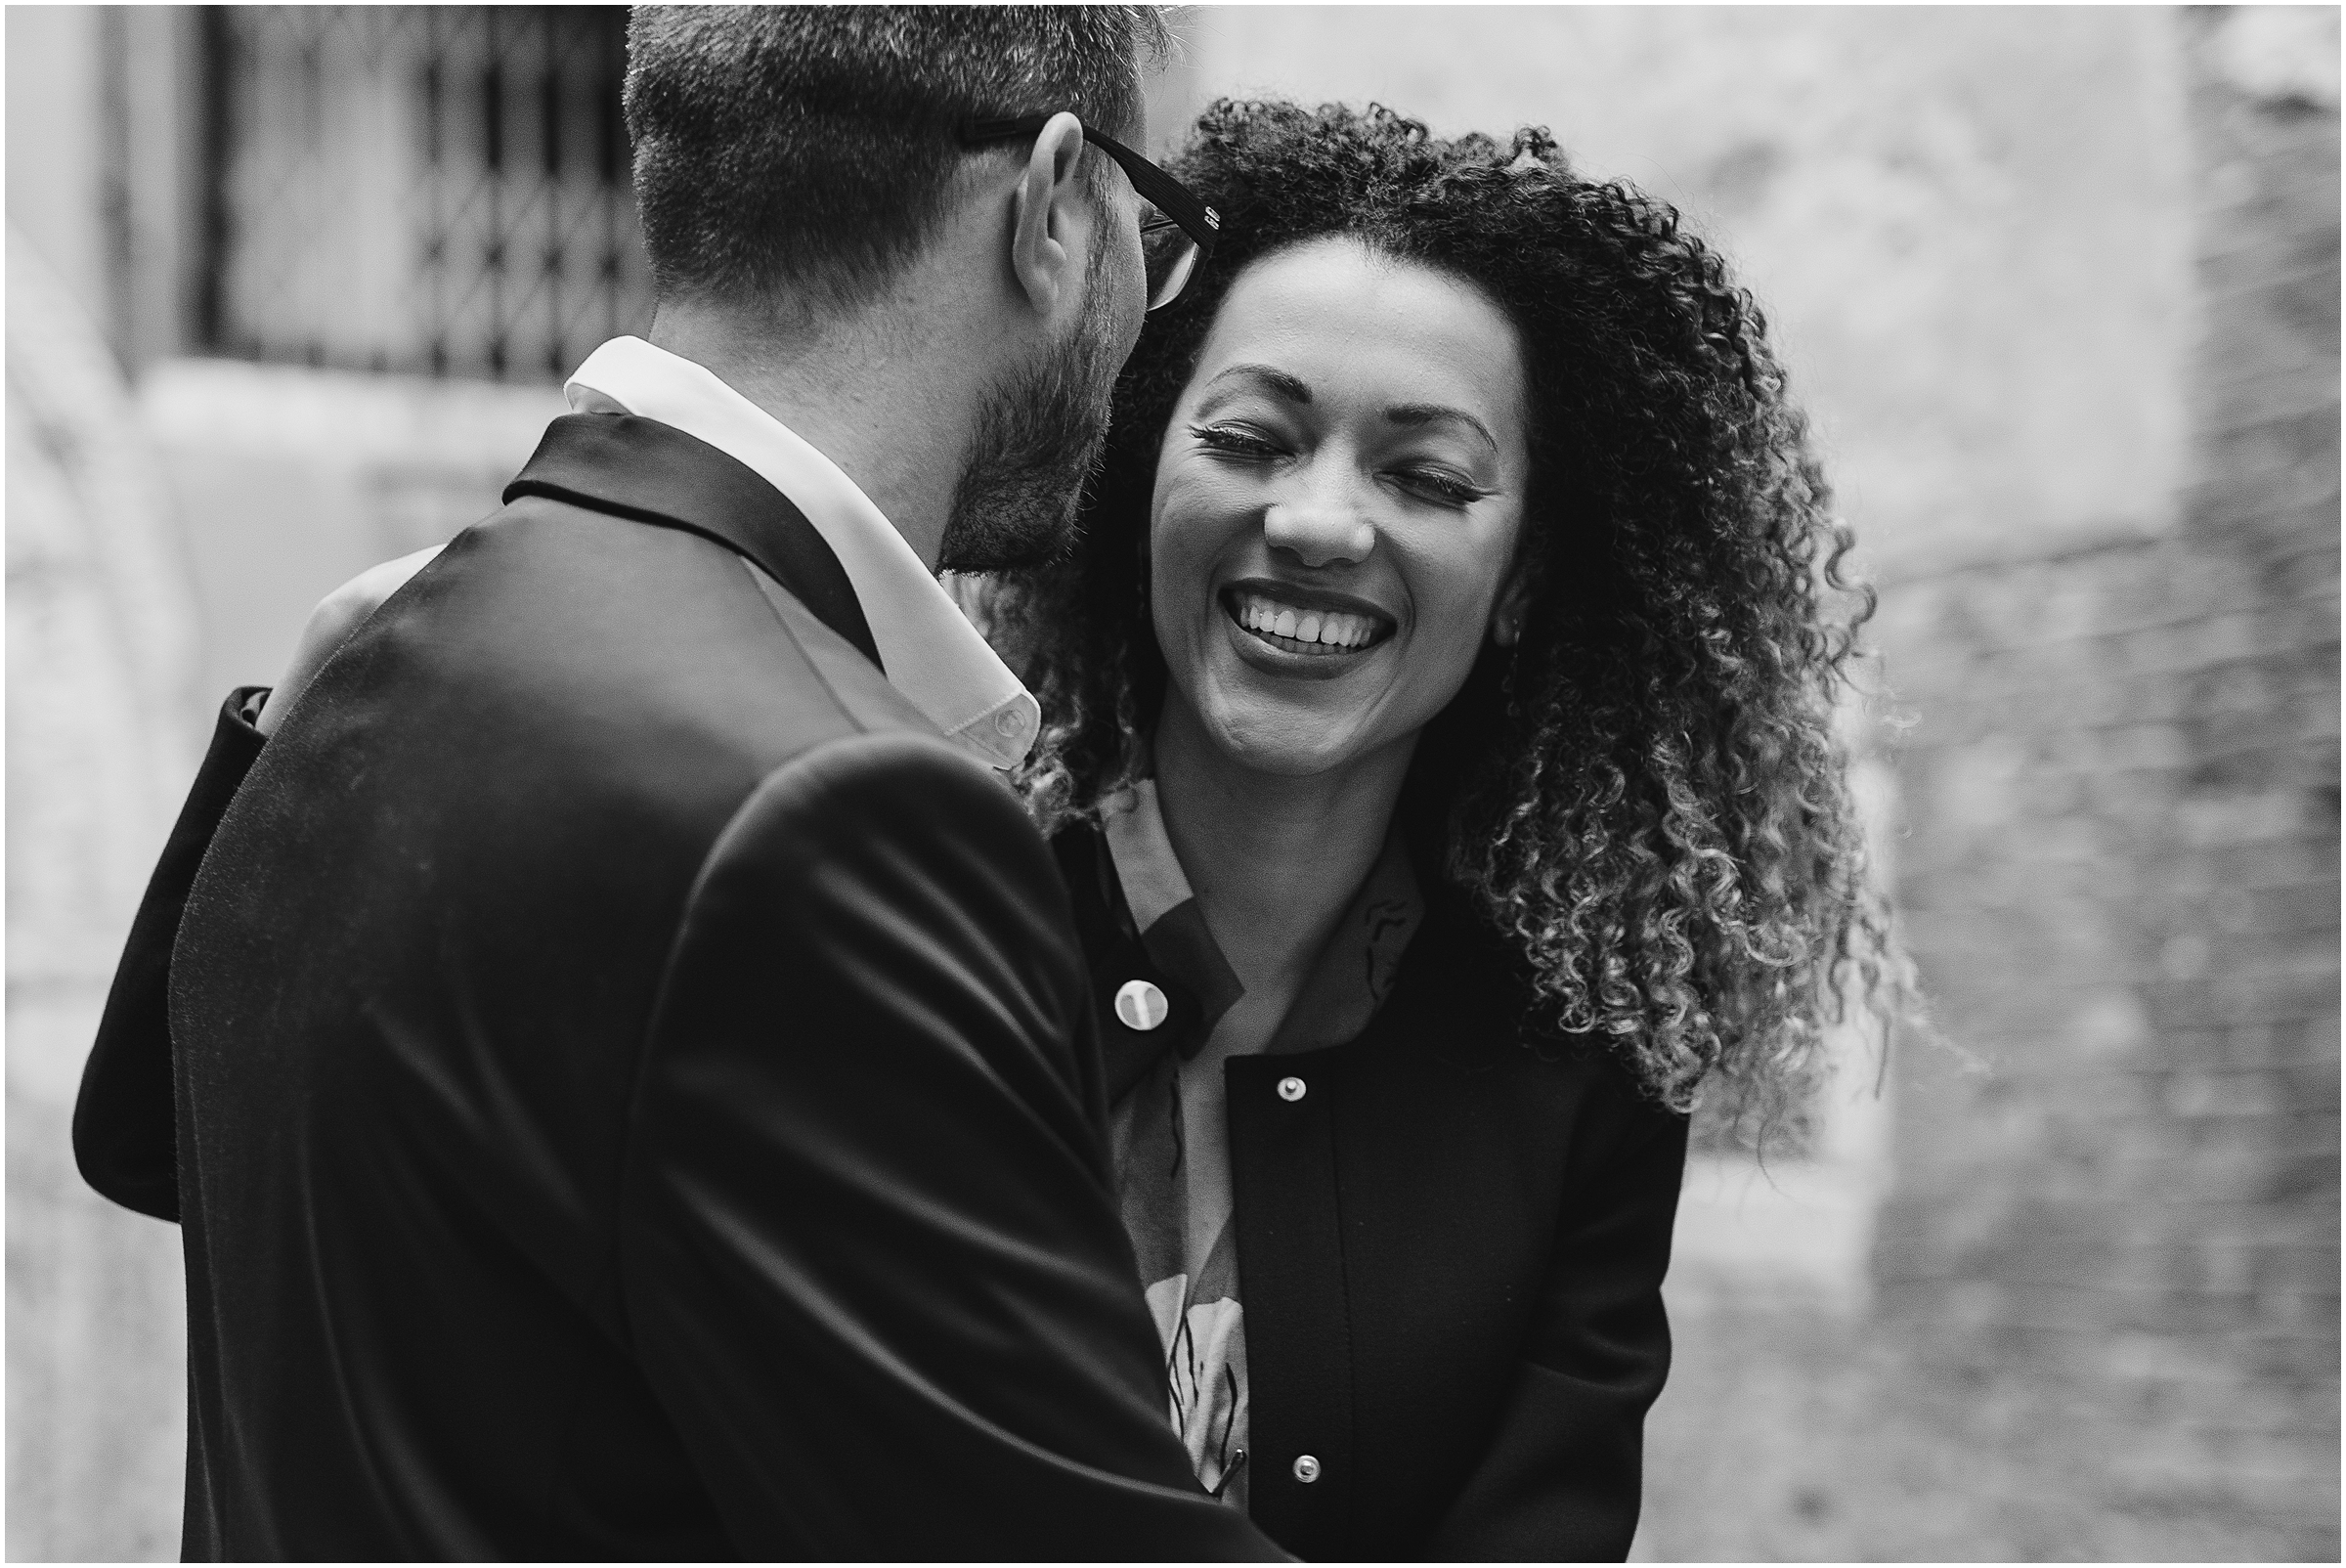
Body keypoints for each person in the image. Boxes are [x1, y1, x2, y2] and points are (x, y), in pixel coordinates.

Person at [71, 9, 1284, 1559]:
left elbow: (156, 1151)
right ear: (1055, 206)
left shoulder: (373, 649)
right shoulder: (840, 811)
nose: (1142, 316)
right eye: (1152, 226)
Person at [966, 100, 1905, 1559]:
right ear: (1137, 482)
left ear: (1521, 580)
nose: (1323, 522)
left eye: (1428, 477)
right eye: (1252, 439)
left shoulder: (1581, 1073)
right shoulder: (935, 931)